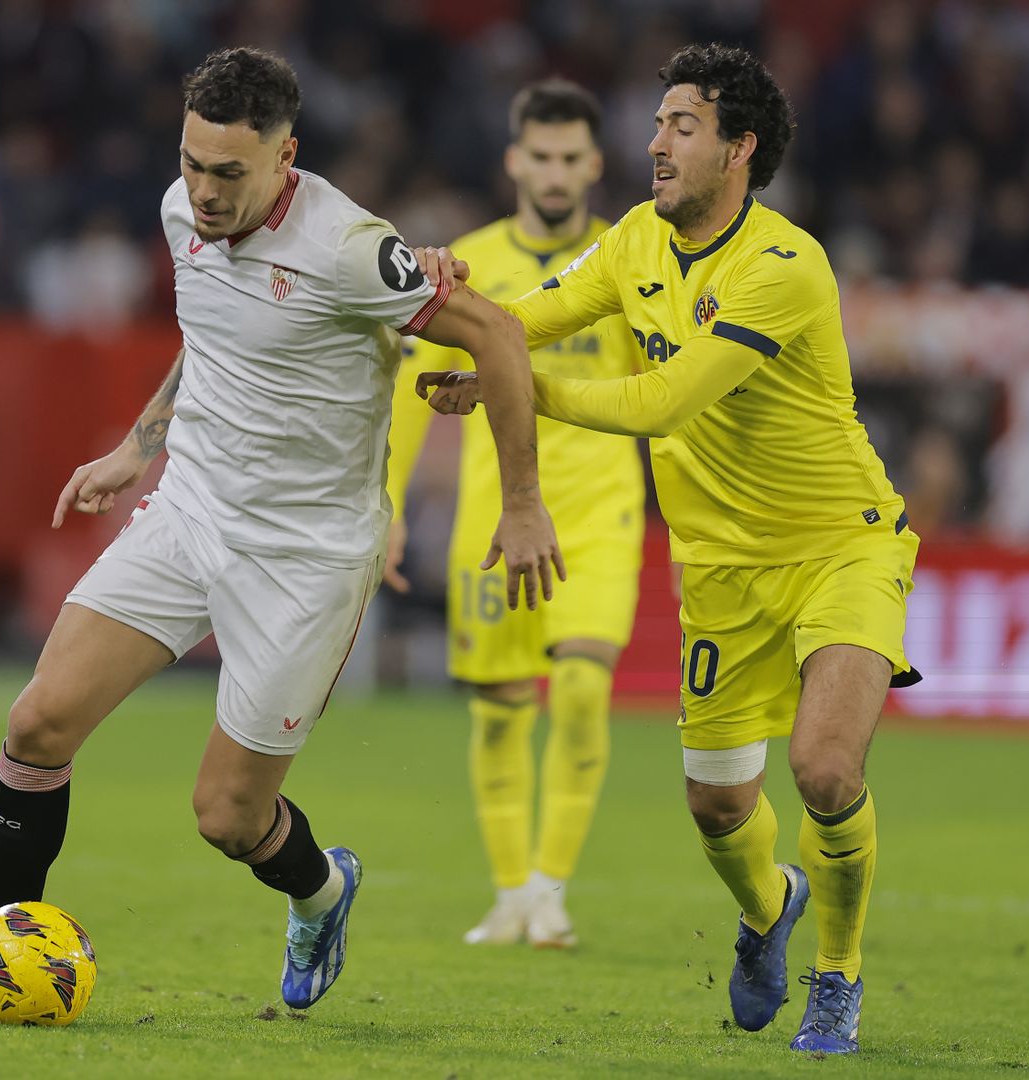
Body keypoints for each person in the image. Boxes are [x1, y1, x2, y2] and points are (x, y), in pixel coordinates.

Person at [0, 46, 562, 1018]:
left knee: (227, 816)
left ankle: (323, 894)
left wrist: (521, 503)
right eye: (191, 163)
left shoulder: (347, 248)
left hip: (305, 558)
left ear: (285, 156)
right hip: (192, 507)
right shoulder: (180, 212)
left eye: (228, 173)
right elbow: (208, 336)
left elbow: (498, 334)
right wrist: (138, 445)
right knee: (37, 724)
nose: (202, 192)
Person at [414, 44, 920, 1055]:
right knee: (718, 806)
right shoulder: (634, 242)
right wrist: (435, 306)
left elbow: (659, 401)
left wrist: (518, 385)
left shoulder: (783, 266)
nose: (651, 143)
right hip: (719, 569)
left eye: (680, 126)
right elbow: (526, 319)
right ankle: (766, 909)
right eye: (655, 123)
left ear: (737, 149)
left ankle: (837, 974)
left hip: (839, 549)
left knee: (822, 770)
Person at [384, 79, 645, 949]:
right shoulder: (468, 261)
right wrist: (387, 504)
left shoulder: (627, 259)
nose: (558, 171)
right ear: (515, 161)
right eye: (543, 155)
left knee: (579, 687)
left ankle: (550, 890)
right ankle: (508, 896)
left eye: (573, 157)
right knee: (499, 708)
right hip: (490, 515)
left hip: (602, 509)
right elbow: (414, 393)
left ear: (595, 164)